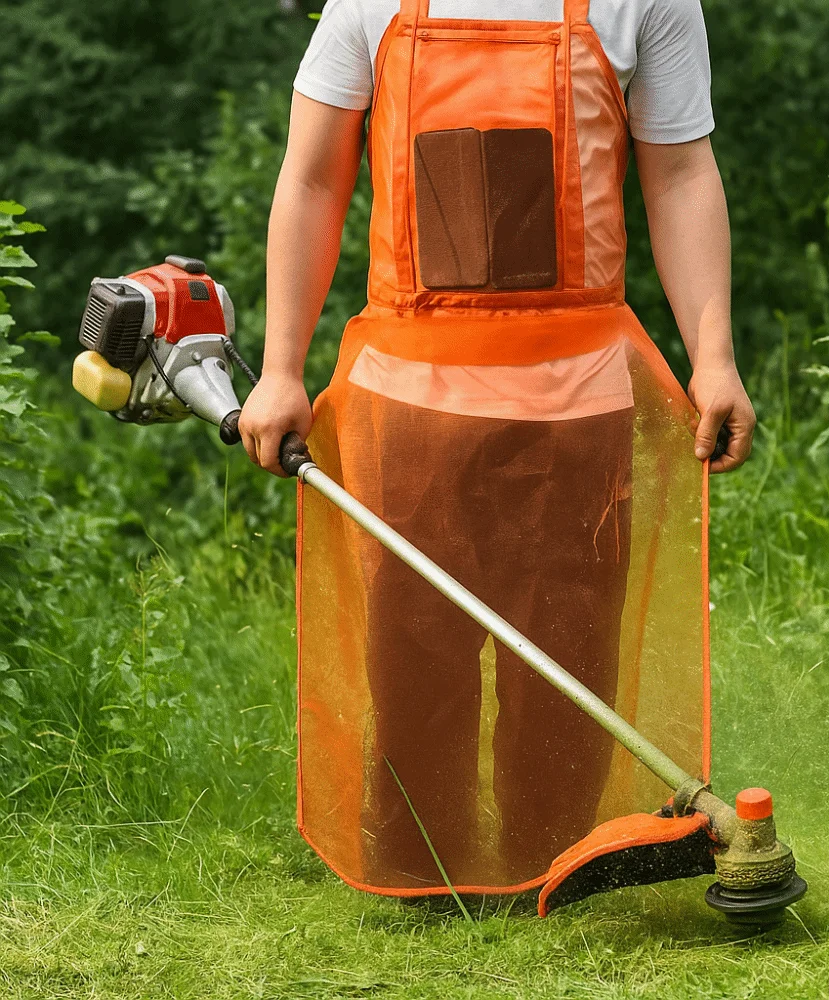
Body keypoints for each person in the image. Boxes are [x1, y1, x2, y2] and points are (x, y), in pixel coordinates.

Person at [239, 0, 755, 896]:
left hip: (579, 396)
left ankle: (550, 866)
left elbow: (679, 176)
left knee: (569, 651)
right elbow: (314, 177)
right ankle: (415, 871)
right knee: (411, 655)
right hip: (407, 396)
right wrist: (281, 366)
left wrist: (713, 359)